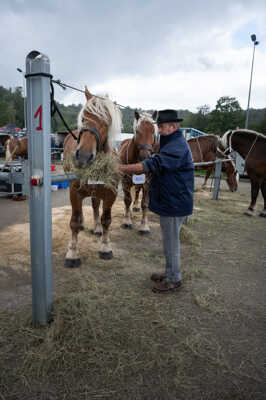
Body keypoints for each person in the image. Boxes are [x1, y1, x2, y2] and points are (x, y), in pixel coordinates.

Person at [119, 109, 194, 293]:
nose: (159, 130)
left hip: (174, 203)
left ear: (173, 126)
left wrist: (120, 167)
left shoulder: (176, 146)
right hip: (171, 201)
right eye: (158, 127)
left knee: (171, 244)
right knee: (169, 242)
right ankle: (169, 273)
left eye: (161, 127)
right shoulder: (171, 143)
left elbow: (151, 164)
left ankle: (174, 280)